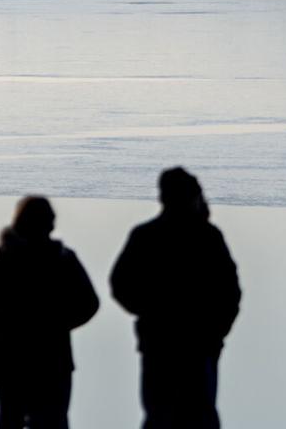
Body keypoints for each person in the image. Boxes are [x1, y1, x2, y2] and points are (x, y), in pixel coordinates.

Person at [110, 168, 240, 429]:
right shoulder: (207, 236)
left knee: (160, 416)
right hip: (198, 344)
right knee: (200, 416)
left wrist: (148, 312)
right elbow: (230, 291)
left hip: (159, 343)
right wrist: (216, 332)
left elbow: (120, 284)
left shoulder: (146, 235)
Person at [0, 196, 99, 429]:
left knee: (9, 420)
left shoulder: (5, 257)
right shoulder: (63, 258)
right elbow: (89, 304)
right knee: (52, 421)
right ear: (50, 223)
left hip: (9, 356)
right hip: (53, 357)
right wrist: (61, 324)